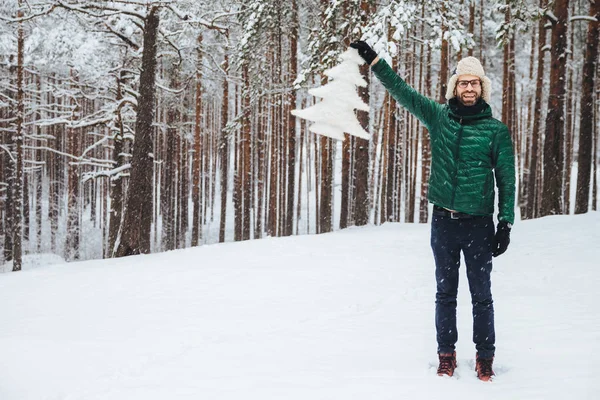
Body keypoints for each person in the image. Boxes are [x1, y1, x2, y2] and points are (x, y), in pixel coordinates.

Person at [350, 41, 515, 382]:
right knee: (445, 293)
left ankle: (485, 357)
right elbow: (402, 91)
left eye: (474, 83)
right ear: (455, 87)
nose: (468, 88)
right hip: (444, 222)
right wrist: (376, 61)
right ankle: (446, 355)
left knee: (481, 296)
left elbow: (507, 180)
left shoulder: (496, 131)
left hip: (479, 224)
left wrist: (506, 223)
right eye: (463, 82)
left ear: (481, 89)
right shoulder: (439, 118)